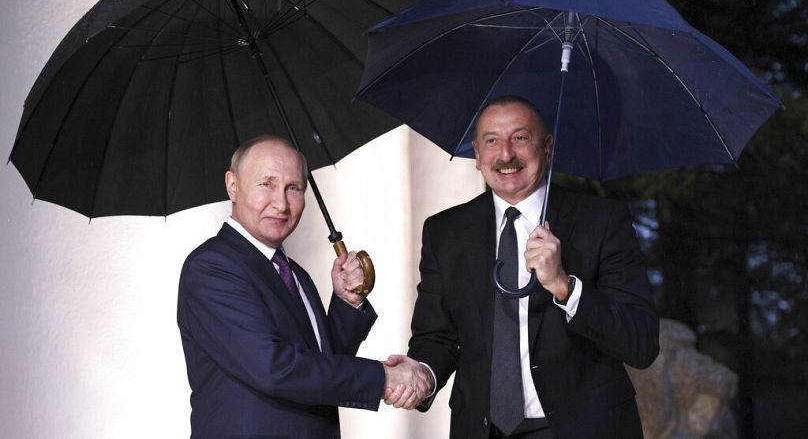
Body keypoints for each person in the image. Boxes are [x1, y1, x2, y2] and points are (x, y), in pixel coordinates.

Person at [386, 96, 660, 438]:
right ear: (476, 154)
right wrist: (423, 372)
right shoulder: (445, 232)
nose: (505, 155)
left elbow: (641, 344)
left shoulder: (601, 221)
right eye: (492, 141)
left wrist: (565, 286)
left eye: (520, 138)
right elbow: (437, 336)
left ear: (547, 146)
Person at [177, 135, 426, 438]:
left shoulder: (294, 273)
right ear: (233, 185)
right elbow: (275, 368)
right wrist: (382, 377)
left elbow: (323, 364)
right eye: (266, 184)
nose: (281, 203)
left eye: (293, 188)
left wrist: (347, 302)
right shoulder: (212, 267)